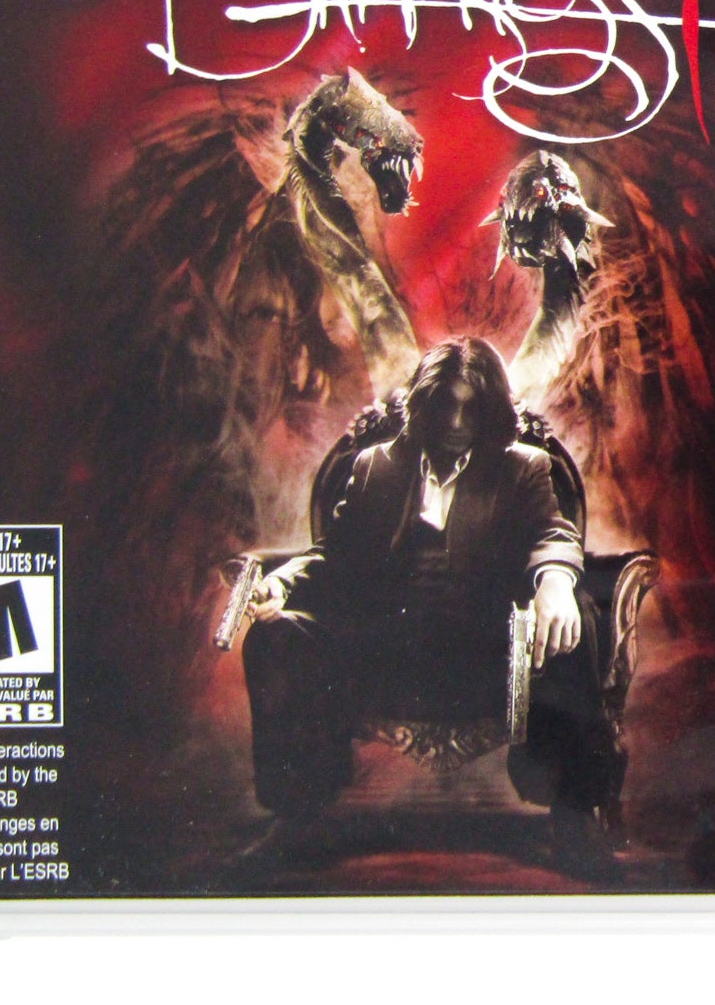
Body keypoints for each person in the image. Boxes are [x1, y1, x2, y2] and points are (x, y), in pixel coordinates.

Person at [240, 336, 618, 874]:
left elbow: (552, 533)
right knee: (275, 634)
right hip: (383, 652)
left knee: (572, 618)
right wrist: (283, 584)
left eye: (471, 408)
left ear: (490, 410)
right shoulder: (376, 466)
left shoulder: (523, 467)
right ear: (423, 406)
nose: (457, 422)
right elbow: (335, 555)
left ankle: (575, 820)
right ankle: (294, 817)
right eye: (444, 406)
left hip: (485, 653)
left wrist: (555, 581)